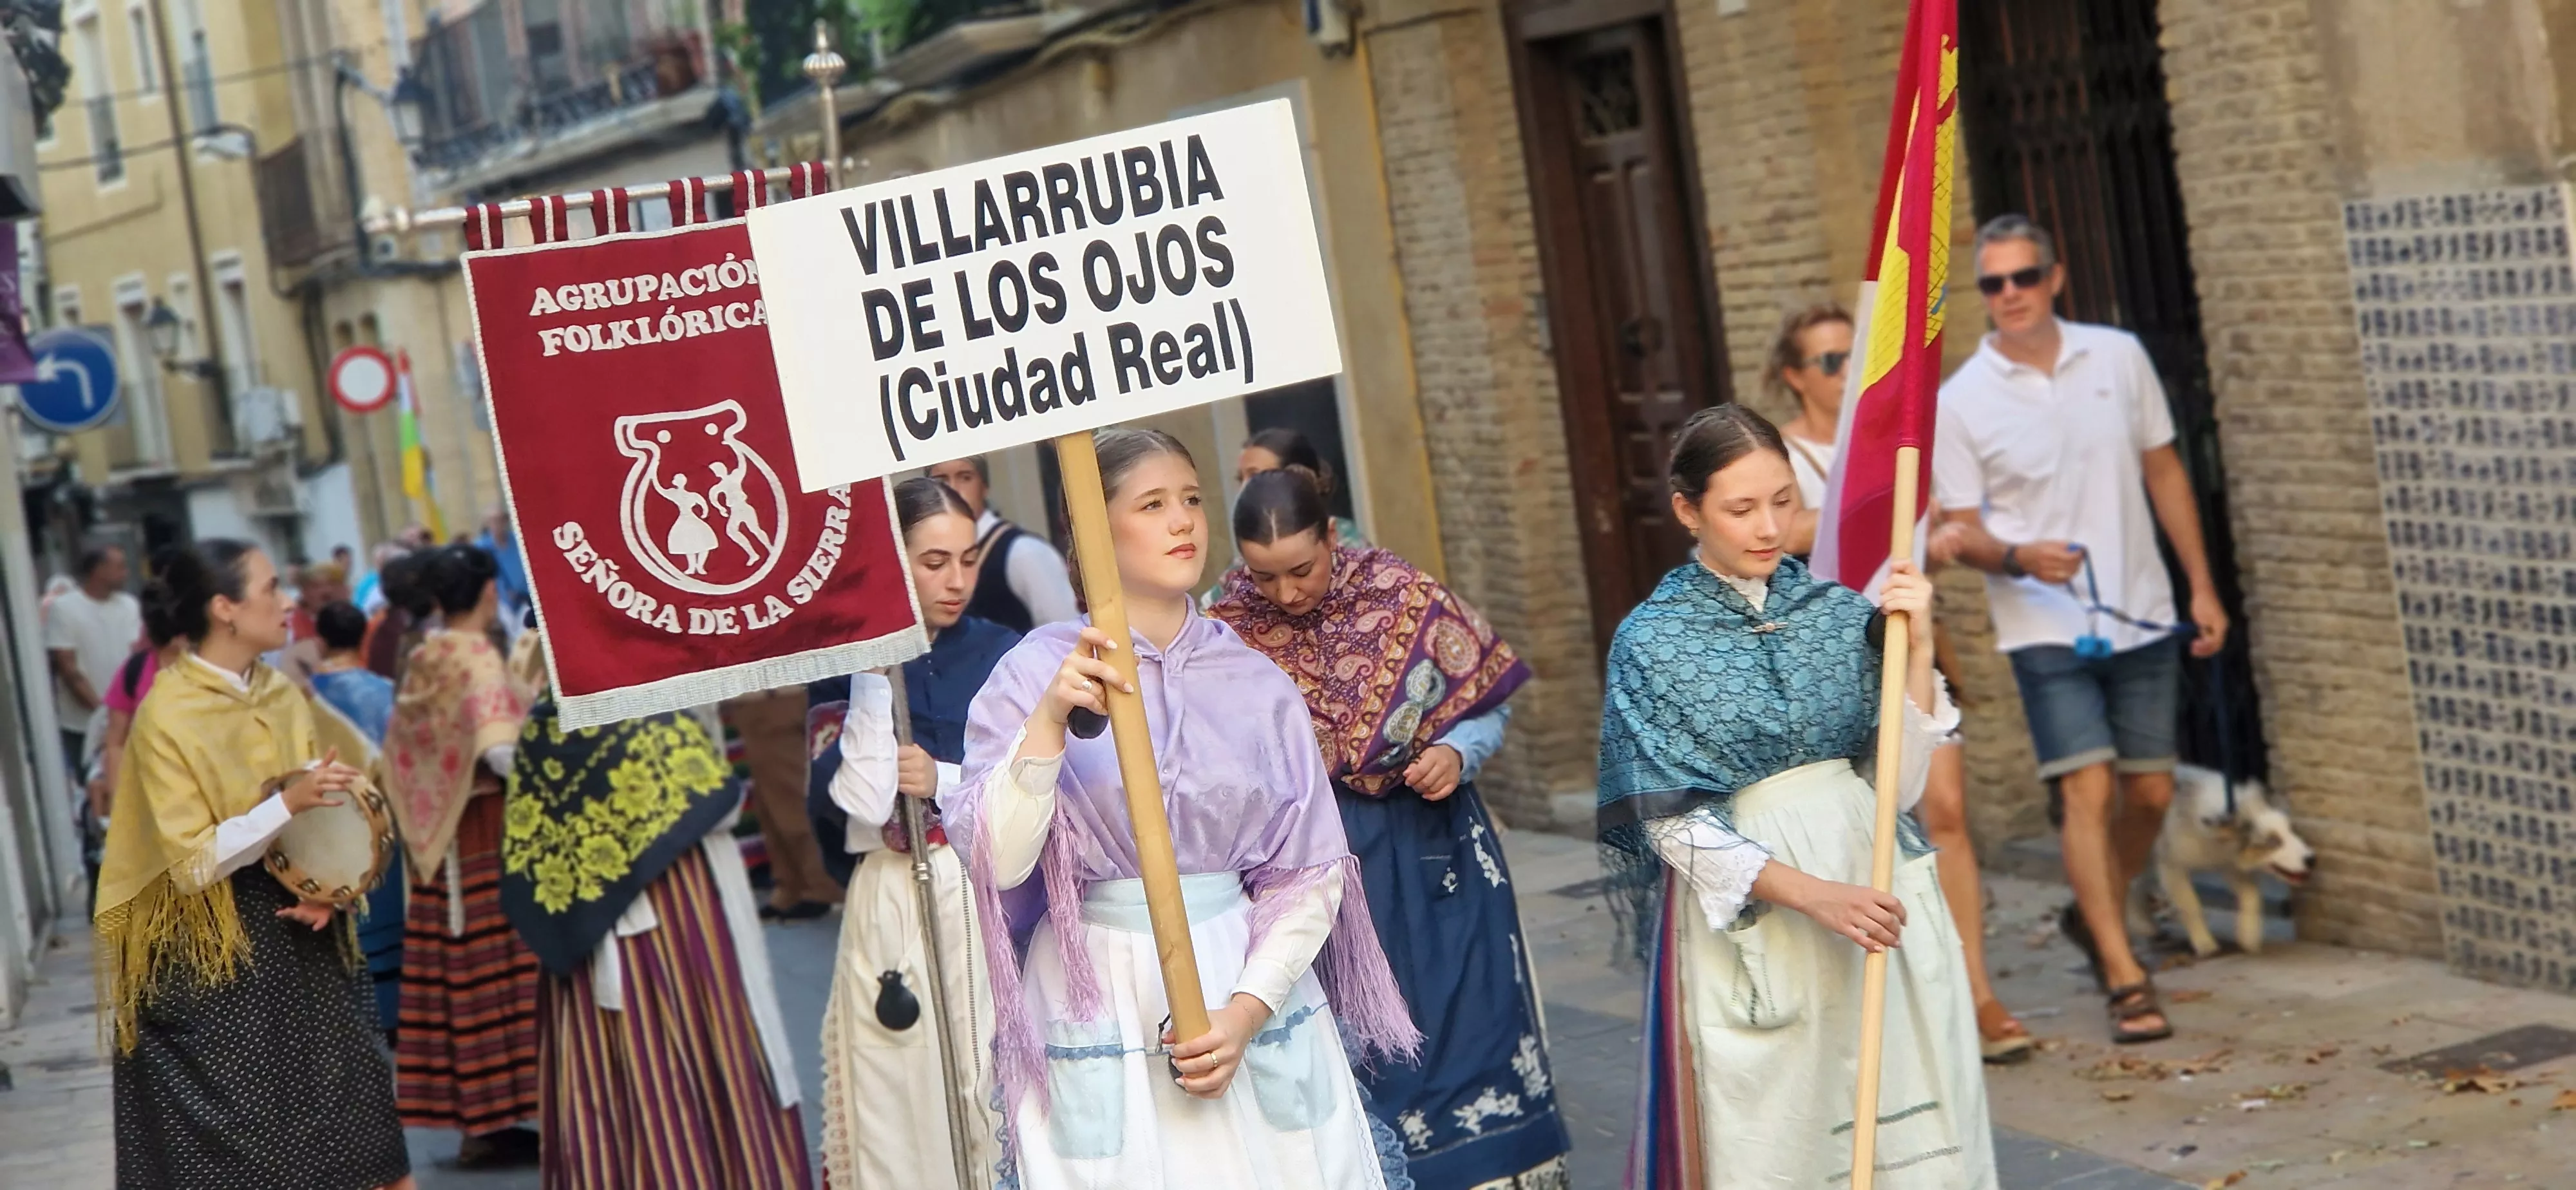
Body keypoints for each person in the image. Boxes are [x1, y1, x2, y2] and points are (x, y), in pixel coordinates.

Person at [945, 428, 1421, 1187]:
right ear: (1093, 530)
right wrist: (1047, 726)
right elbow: (998, 861)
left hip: (1241, 972)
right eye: (1153, 504)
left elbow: (1307, 875)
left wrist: (1243, 1013)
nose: (1184, 522)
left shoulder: (1255, 681)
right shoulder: (1036, 670)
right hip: (1097, 985)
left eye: (1193, 500)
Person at [1598, 405, 1993, 1189]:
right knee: (1784, 1140)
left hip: (1877, 883)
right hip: (1759, 911)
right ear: (1687, 510)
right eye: (1741, 509)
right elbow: (1669, 824)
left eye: (1783, 500)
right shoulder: (1650, 640)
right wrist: (1814, 896)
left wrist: (1911, 648)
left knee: (1916, 1130)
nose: (1770, 526)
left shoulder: (1841, 612)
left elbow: (1899, 788)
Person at [1209, 466, 1569, 1190]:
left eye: (1300, 570)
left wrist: (1454, 752)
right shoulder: (1223, 628)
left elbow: (1486, 705)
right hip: (1310, 869)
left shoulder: (1401, 593)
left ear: (1332, 537)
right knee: (1354, 1056)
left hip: (1435, 860)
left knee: (1471, 1026)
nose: (1284, 593)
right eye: (1265, 576)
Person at [1927, 214, 2228, 1044]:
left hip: (2139, 608)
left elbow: (2163, 469)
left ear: (2055, 278)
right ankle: (2122, 969)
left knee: (2152, 792)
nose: (2010, 295)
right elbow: (1959, 529)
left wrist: (2200, 586)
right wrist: (2018, 555)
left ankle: (2088, 911)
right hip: (2040, 626)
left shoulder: (2118, 356)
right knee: (2085, 789)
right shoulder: (1961, 401)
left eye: (2024, 277)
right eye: (1993, 284)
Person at [93, 538, 412, 1190]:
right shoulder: (167, 714)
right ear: (225, 609)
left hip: (301, 927)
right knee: (241, 1150)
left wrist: (331, 890)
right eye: (271, 589)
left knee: (355, 1127)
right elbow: (189, 864)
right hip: (209, 951)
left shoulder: (281, 693)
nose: (288, 603)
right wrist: (285, 807)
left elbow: (328, 809)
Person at [1767, 305, 2033, 1063]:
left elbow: (1932, 527)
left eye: (1854, 355)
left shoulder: (1895, 444)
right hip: (1830, 666)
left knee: (1946, 809)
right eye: (1827, 361)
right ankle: (1889, 993)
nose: (1846, 371)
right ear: (1795, 377)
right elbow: (1781, 532)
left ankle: (1976, 992)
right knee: (1863, 825)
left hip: (1909, 645)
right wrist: (1873, 511)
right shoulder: (1784, 453)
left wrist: (1937, 537)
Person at [500, 632, 812, 1189]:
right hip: (674, 916)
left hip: (606, 942)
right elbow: (717, 803)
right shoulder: (640, 708)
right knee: (684, 1063)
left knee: (616, 1086)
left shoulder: (547, 718)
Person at [819, 477, 1020, 1189]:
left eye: (967, 560)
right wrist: (874, 667)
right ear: (890, 556)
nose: (957, 580)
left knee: (992, 1083)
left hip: (985, 886)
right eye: (934, 562)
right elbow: (861, 800)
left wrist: (941, 777)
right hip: (890, 899)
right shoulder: (840, 660)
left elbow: (1044, 788)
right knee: (896, 1096)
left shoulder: (1002, 652)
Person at [383, 544, 542, 1167]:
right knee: (503, 971)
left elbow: (402, 746)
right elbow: (501, 750)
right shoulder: (476, 658)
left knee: (455, 979)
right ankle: (529, 1107)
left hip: (436, 833)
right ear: (483, 595)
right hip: (486, 827)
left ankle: (480, 1124)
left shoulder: (426, 654)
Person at [308, 600, 408, 1035]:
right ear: (364, 636)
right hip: (387, 825)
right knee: (391, 927)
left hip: (329, 830)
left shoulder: (303, 701)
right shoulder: (388, 691)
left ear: (320, 640)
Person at [728, 676, 841, 920]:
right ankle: (792, 884)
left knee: (790, 798)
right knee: (770, 801)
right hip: (761, 695)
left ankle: (819, 886)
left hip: (774, 694)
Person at [928, 454, 1081, 632]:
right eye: (941, 480)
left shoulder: (1024, 552)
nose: (953, 489)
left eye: (965, 478)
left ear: (984, 487)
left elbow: (1064, 632)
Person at [45, 544, 142, 780]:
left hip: (129, 721)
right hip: (82, 723)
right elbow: (68, 668)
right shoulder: (65, 608)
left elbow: (136, 657)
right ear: (98, 570)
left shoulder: (129, 605)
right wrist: (102, 712)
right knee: (95, 786)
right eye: (119, 566)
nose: (126, 572)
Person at [1235, 428, 1367, 548]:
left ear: (1297, 477)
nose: (1244, 489)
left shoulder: (1348, 548)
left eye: (1255, 476)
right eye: (1241, 479)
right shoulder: (1248, 556)